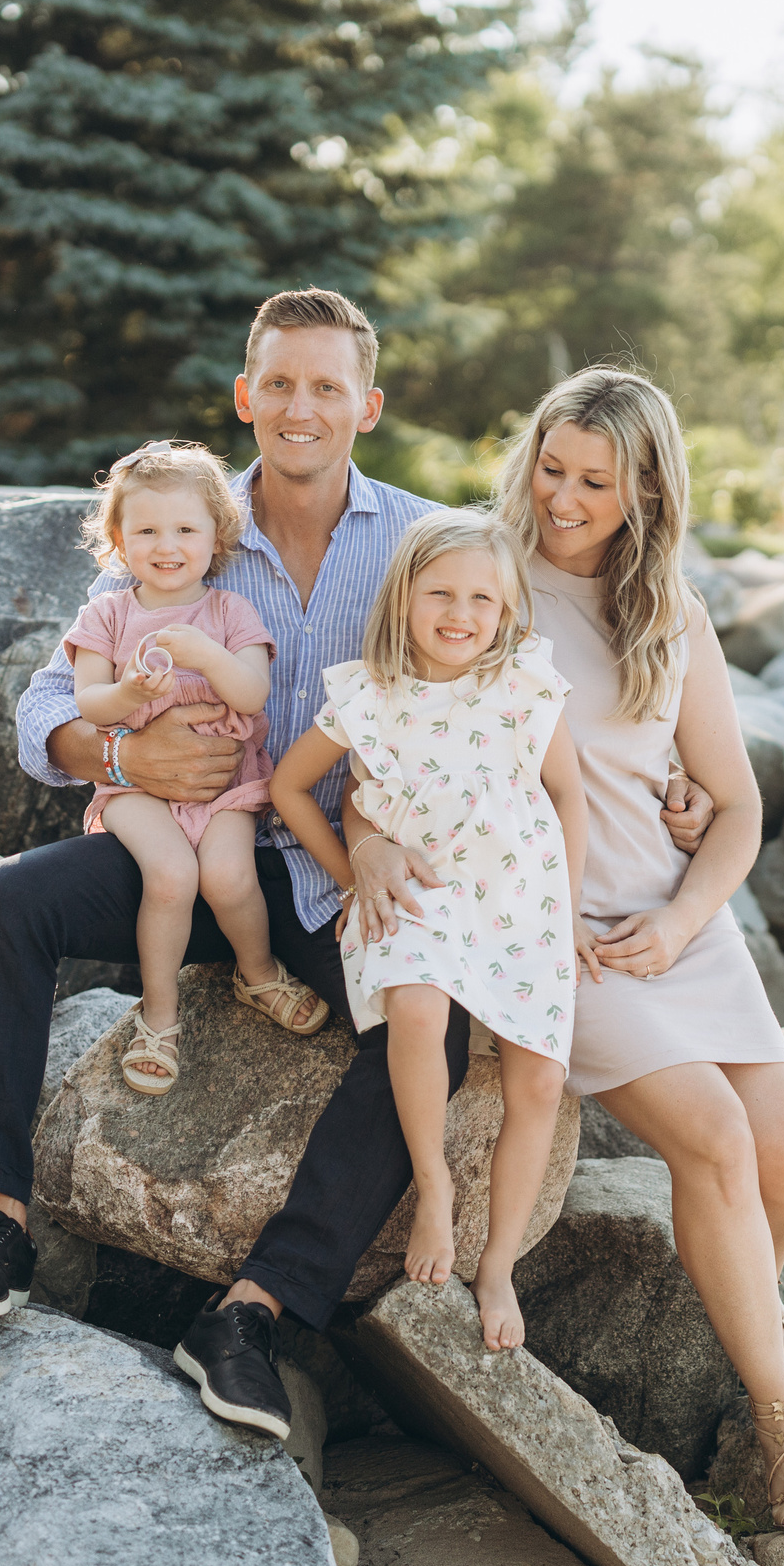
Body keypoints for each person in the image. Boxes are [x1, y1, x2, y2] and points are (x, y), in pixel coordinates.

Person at [0, 290, 716, 1436]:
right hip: (186, 856)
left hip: (346, 875)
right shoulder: (184, 526)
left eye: (327, 387)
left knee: (424, 1043)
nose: (302, 407)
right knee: (10, 903)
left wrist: (668, 777)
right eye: (280, 384)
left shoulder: (419, 541)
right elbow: (43, 705)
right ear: (246, 397)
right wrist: (116, 746)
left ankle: (253, 1312)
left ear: (367, 406)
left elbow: (533, 675)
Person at [346, 368, 784, 1540]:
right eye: (551, 468)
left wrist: (681, 913)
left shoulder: (671, 611)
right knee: (715, 1144)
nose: (563, 498)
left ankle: (752, 1318)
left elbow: (733, 808)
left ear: (646, 492)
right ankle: (779, 1428)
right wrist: (366, 841)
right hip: (548, 925)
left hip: (677, 924)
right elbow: (392, 736)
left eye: (594, 481)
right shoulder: (481, 586)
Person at [270, 509, 593, 1352]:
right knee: (417, 1008)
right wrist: (352, 875)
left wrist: (570, 909)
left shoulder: (523, 684)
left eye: (482, 598)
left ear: (507, 608)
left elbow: (569, 797)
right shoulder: (370, 694)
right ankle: (434, 1181)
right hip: (426, 891)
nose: (461, 613)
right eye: (441, 592)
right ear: (404, 596)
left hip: (524, 898)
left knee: (538, 1085)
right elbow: (290, 788)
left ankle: (497, 1268)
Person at [61, 440, 328, 1097]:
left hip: (225, 786)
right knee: (173, 876)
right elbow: (88, 700)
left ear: (217, 537)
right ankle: (159, 1014)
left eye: (185, 528)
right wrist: (129, 696)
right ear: (120, 540)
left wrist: (205, 653)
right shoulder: (108, 613)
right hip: (135, 787)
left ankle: (257, 970)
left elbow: (251, 693)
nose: (167, 544)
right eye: (147, 530)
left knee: (230, 875)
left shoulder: (229, 613)